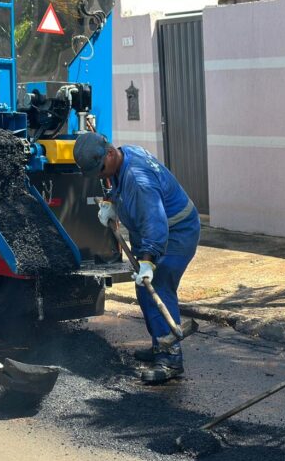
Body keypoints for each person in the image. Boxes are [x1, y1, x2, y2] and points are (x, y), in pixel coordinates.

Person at [73, 132, 200, 383]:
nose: (99, 175)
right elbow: (116, 184)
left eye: (100, 170)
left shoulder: (139, 181)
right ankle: (160, 344)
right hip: (154, 232)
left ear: (110, 154)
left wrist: (148, 261)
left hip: (175, 234)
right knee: (144, 290)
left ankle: (171, 360)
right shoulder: (124, 155)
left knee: (158, 286)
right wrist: (111, 202)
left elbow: (155, 223)